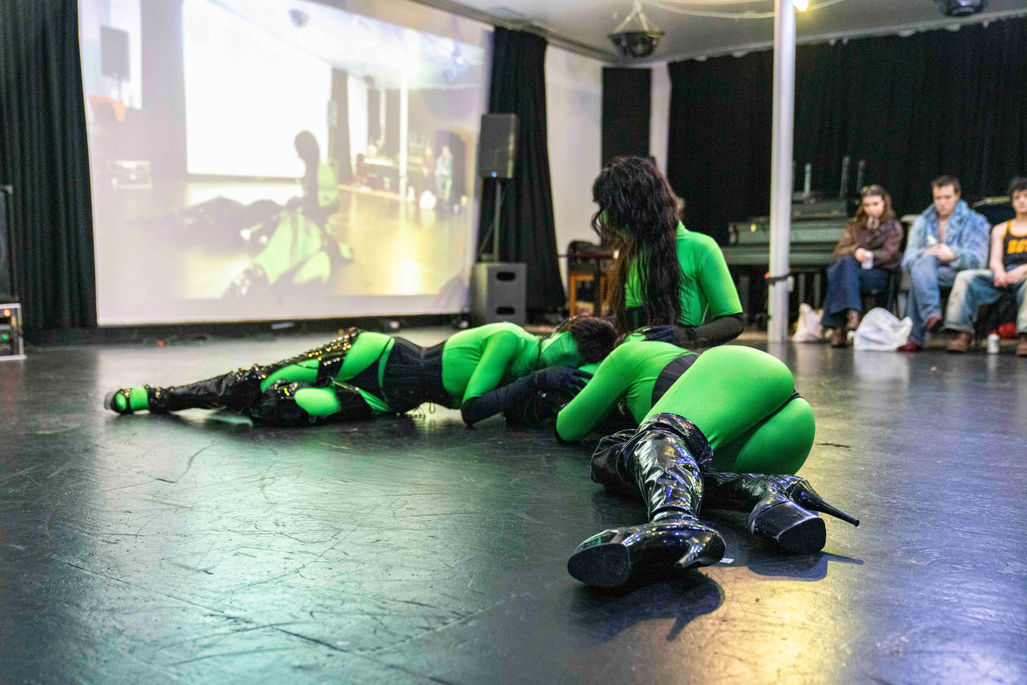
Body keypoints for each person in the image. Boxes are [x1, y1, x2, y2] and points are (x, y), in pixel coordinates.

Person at [555, 339, 858, 588]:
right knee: (627, 457)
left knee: (634, 443)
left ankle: (675, 519)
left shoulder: (627, 352)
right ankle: (760, 490)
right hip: (783, 435)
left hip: (743, 372)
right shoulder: (664, 357)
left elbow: (567, 426)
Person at [103, 318, 617, 428]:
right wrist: (540, 382)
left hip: (387, 401)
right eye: (567, 343)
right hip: (377, 356)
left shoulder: (537, 372)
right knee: (255, 380)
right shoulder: (510, 339)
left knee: (281, 407)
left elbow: (514, 413)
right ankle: (158, 396)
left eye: (572, 358)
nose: (561, 357)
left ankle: (230, 405)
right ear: (562, 328)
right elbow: (473, 409)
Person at [591, 157, 744, 349]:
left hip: (674, 361)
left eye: (609, 208)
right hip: (632, 357)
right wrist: (590, 327)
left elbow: (733, 321)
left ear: (636, 207)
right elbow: (631, 321)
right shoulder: (631, 253)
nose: (606, 218)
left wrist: (685, 336)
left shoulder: (700, 247)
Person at [225, 131, 351, 296]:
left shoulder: (323, 173)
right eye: (299, 151)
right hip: (300, 217)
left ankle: (255, 275)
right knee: (266, 209)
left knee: (288, 241)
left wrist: (303, 204)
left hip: (311, 225)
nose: (299, 155)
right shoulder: (312, 171)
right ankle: (235, 222)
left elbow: (330, 205)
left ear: (310, 149)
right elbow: (314, 200)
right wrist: (300, 203)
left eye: (301, 150)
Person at [898, 175, 990, 352]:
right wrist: (928, 254)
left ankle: (916, 335)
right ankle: (931, 314)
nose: (942, 203)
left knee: (919, 275)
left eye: (947, 197)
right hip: (929, 273)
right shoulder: (923, 221)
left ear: (957, 195)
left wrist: (953, 254)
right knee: (922, 265)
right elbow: (908, 258)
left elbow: (978, 260)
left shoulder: (974, 221)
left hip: (958, 273)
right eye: (938, 198)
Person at [944, 177, 1027, 356]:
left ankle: (1025, 336)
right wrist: (999, 272)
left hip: (1024, 276)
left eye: (1026, 196)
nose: (1022, 201)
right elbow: (995, 259)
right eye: (1017, 197)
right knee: (966, 277)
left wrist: (1022, 270)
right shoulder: (1001, 229)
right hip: (1004, 275)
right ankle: (962, 332)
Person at [822, 185, 904, 347]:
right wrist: (855, 251)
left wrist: (868, 255)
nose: (871, 209)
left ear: (884, 203)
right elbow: (839, 251)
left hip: (878, 274)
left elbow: (890, 254)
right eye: (867, 205)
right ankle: (852, 314)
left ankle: (839, 327)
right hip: (854, 273)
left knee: (837, 272)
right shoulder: (855, 225)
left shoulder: (893, 226)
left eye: (875, 204)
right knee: (845, 265)